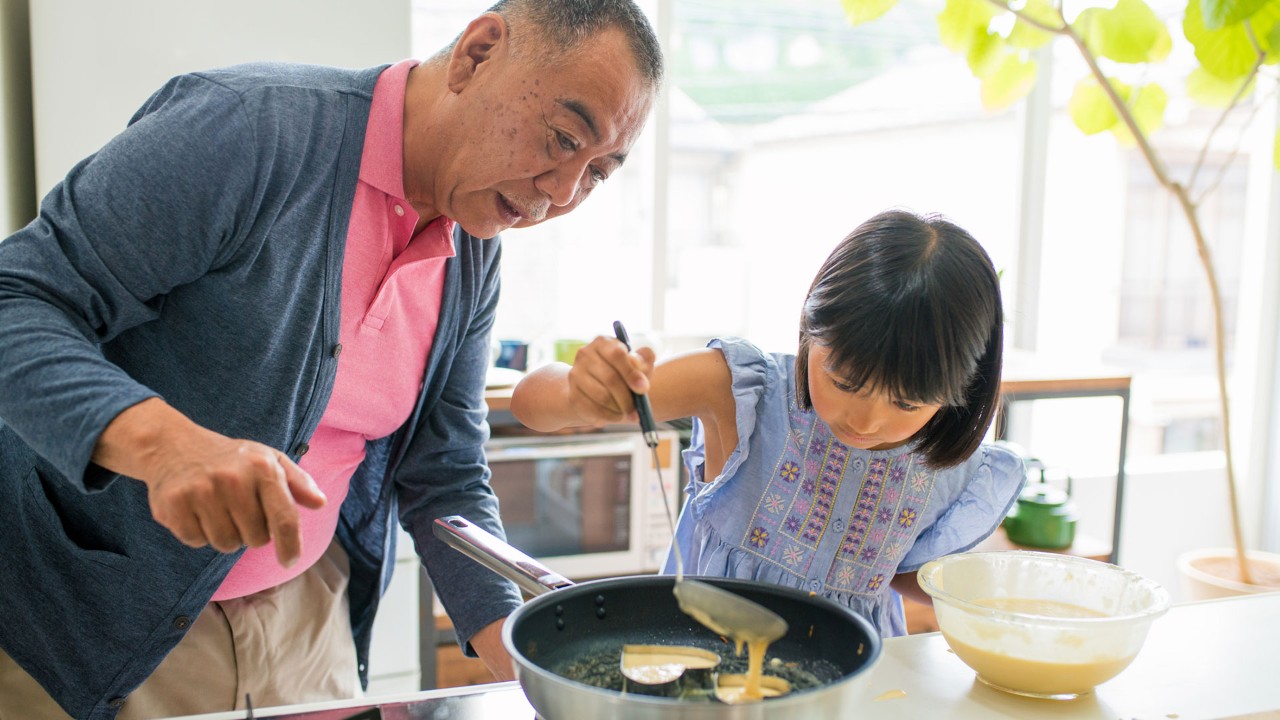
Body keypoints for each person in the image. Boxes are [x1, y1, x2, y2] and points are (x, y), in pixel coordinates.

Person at [0, 1, 662, 718]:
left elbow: (442, 474)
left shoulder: (472, 249)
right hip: (83, 613)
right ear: (478, 52)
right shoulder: (249, 129)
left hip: (305, 622)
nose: (562, 195)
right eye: (564, 138)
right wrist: (162, 445)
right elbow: (17, 299)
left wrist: (525, 651)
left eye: (597, 173)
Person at [510, 209, 1025, 637]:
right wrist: (581, 393)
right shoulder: (740, 391)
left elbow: (900, 570)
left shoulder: (942, 458)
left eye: (908, 404)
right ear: (810, 328)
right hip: (706, 666)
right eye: (846, 382)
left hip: (857, 684)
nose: (868, 421)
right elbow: (530, 404)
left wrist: (978, 596)